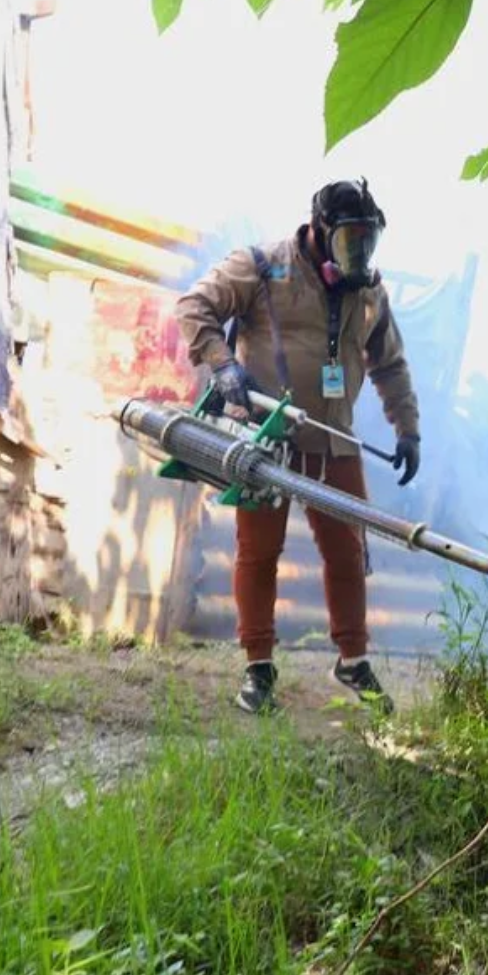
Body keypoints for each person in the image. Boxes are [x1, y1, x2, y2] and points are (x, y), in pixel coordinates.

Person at [174, 178, 421, 716]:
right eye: (349, 239)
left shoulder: (369, 292)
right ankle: (257, 666)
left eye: (368, 240)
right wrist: (223, 365)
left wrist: (408, 429)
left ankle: (352, 660)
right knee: (259, 553)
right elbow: (194, 307)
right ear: (319, 231)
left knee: (348, 554)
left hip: (335, 440)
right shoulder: (262, 268)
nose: (359, 252)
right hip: (266, 440)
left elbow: (391, 365)